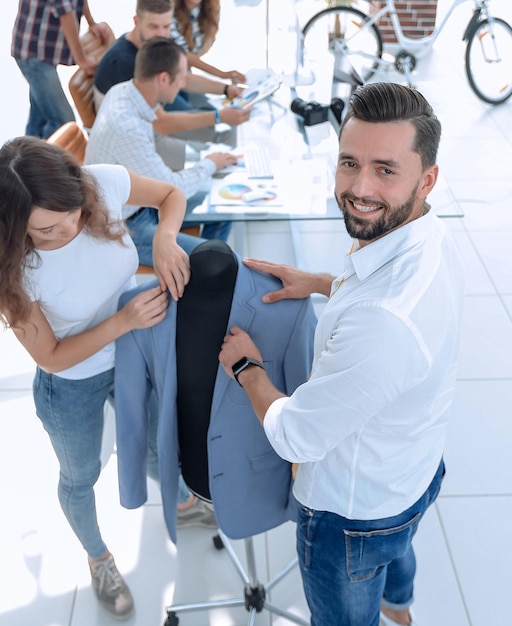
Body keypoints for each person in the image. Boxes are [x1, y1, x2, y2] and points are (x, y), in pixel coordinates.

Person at [218, 82, 465, 626]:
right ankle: (399, 614)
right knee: (396, 568)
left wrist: (247, 368)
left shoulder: (383, 324)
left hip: (351, 517)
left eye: (385, 169)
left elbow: (296, 435)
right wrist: (325, 283)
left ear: (428, 179)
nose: (358, 187)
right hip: (414, 471)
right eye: (349, 162)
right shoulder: (430, 233)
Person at [0, 136, 191, 620]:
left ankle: (184, 503)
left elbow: (171, 196)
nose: (67, 228)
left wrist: (165, 237)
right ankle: (98, 556)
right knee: (81, 475)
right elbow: (51, 356)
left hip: (130, 355)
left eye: (73, 213)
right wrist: (122, 321)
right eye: (45, 229)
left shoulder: (100, 185)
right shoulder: (13, 271)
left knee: (153, 444)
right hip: (72, 382)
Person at [86, 36, 238, 266]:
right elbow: (172, 189)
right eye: (181, 78)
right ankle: (204, 265)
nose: (184, 85)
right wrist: (210, 163)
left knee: (225, 206)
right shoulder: (126, 128)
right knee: (216, 257)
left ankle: (200, 272)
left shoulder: (124, 92)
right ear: (164, 78)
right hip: (125, 226)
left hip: (140, 202)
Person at [94, 0, 250, 146]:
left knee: (215, 114)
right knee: (221, 129)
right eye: (153, 27)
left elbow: (183, 79)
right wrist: (218, 117)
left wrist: (226, 89)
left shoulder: (149, 44)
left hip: (155, 115)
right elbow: (160, 123)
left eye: (166, 26)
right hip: (138, 136)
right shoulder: (124, 63)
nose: (162, 34)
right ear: (136, 22)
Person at [11, 0, 112, 139]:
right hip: (33, 54)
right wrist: (81, 60)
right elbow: (66, 13)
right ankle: (40, 157)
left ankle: (24, 157)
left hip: (45, 51)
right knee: (63, 122)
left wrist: (91, 22)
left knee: (40, 118)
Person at [171, 0, 246, 86]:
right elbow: (183, 55)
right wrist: (223, 75)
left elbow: (202, 48)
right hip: (167, 77)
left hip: (185, 77)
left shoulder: (207, 12)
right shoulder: (168, 11)